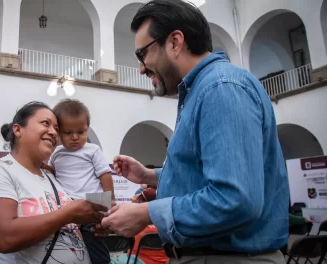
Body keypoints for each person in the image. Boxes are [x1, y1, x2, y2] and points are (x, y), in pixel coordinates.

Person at [101, 1, 289, 263]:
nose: (141, 68)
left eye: (142, 54)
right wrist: (151, 176)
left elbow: (235, 199)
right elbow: (207, 174)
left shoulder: (220, 89)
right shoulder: (205, 90)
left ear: (175, 42)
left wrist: (148, 214)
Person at [0, 101, 108, 264]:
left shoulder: (53, 176)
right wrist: (68, 214)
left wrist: (94, 225)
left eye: (57, 129)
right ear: (17, 129)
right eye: (46, 123)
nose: (53, 132)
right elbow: (4, 238)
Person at [49, 98, 114, 264]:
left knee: (94, 244)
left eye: (81, 132)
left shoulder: (92, 150)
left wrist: (110, 198)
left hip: (91, 204)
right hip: (67, 206)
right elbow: (52, 173)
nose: (75, 137)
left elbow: (104, 174)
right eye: (68, 133)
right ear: (58, 132)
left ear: (87, 130)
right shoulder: (56, 153)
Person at [110, 188, 168, 264]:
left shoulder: (135, 226)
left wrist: (134, 204)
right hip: (166, 261)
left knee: (112, 258)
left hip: (140, 261)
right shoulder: (167, 224)